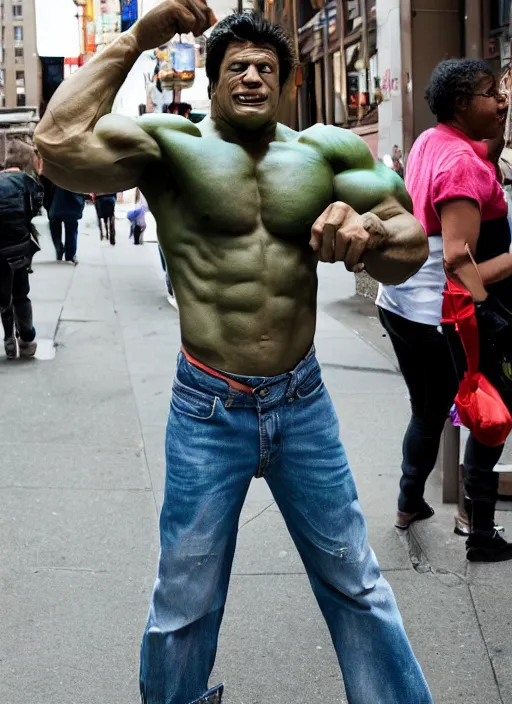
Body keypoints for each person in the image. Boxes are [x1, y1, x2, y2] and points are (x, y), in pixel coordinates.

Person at [35, 6, 431, 704]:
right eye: (237, 67)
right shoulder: (170, 147)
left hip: (301, 403)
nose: (252, 76)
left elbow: (411, 246)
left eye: (266, 68)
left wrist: (367, 227)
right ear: (214, 80)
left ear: (288, 81)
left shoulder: (325, 151)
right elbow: (57, 141)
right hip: (207, 407)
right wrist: (139, 37)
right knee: (184, 598)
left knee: (357, 582)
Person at [377, 58, 512, 562]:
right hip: (446, 311)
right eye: (490, 93)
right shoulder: (461, 164)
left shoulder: (433, 141)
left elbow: (478, 153)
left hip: (404, 304)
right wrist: (489, 316)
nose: (500, 100)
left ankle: (409, 503)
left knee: (429, 409)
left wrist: (497, 133)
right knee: (488, 412)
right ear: (461, 105)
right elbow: (459, 259)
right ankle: (479, 530)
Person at [0, 141, 43, 359]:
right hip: (20, 249)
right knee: (21, 294)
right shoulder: (27, 182)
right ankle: (26, 339)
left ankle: (8, 341)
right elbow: (36, 210)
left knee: (3, 296)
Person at [48, 185, 85, 264]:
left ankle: (59, 249)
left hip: (56, 198)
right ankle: (70, 254)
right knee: (71, 227)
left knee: (55, 226)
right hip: (72, 200)